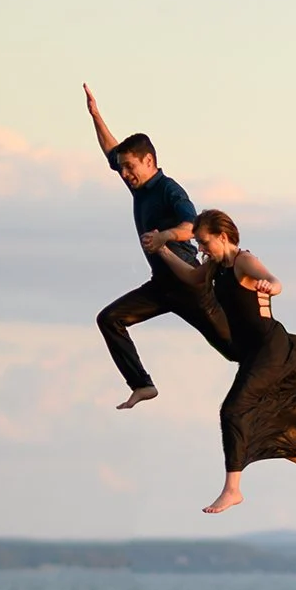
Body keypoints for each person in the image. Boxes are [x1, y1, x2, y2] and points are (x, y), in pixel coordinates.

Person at [151, 209, 296, 514]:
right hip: (253, 352)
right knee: (269, 419)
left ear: (223, 237)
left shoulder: (242, 261)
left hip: (271, 348)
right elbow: (192, 276)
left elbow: (274, 280)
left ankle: (233, 490)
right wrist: (163, 250)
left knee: (234, 410)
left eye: (205, 242)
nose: (201, 249)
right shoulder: (213, 267)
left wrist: (270, 287)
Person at [84, 84, 235, 408]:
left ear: (149, 160)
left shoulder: (169, 190)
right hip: (162, 286)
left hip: (189, 283)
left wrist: (165, 236)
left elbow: (192, 226)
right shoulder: (138, 186)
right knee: (109, 319)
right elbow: (112, 151)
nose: (124, 174)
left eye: (130, 168)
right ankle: (142, 384)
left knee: (236, 351)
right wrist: (96, 116)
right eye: (122, 168)